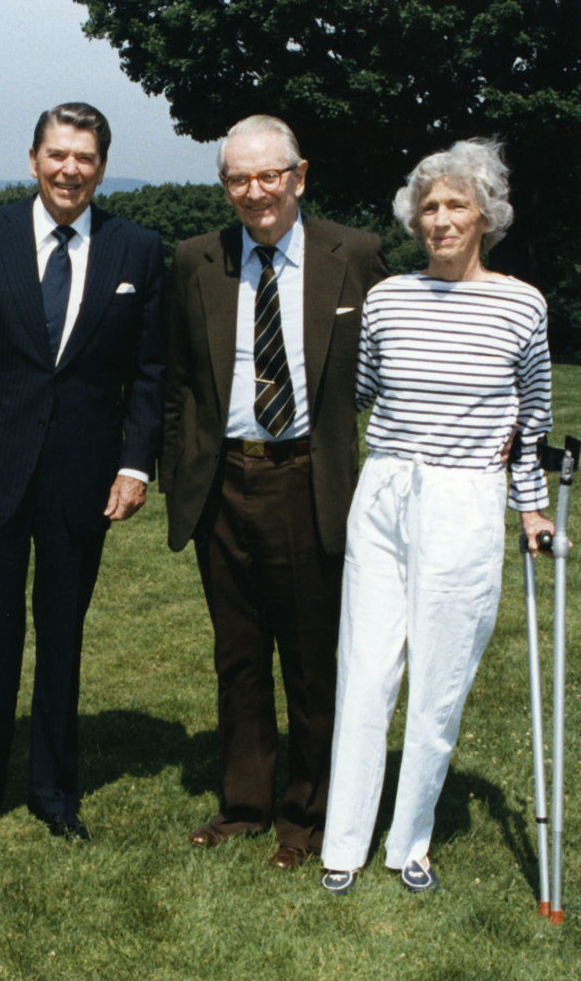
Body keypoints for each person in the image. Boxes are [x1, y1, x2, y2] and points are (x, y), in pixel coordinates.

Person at [319, 139, 555, 894]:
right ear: (413, 220)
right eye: (429, 207)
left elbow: (533, 418)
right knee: (364, 667)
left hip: (465, 498)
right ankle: (343, 844)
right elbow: (358, 393)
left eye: (456, 204)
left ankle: (409, 841)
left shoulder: (522, 303)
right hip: (386, 490)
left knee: (440, 678)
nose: (441, 219)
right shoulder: (388, 297)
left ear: (486, 213)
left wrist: (533, 510)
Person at [0, 102, 163, 841]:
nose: (70, 170)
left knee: (62, 632)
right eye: (58, 155)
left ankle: (55, 791)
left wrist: (135, 463)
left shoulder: (137, 249)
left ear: (101, 166)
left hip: (82, 477)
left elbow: (151, 373)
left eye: (85, 157)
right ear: (34, 159)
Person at [161, 114, 387, 866]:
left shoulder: (352, 255)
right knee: (239, 654)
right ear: (224, 185)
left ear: (299, 175)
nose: (255, 192)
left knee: (312, 658)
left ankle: (309, 816)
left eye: (269, 176)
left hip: (309, 478)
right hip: (223, 479)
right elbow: (179, 381)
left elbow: (393, 359)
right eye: (238, 178)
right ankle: (245, 804)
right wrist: (180, 467)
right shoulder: (196, 260)